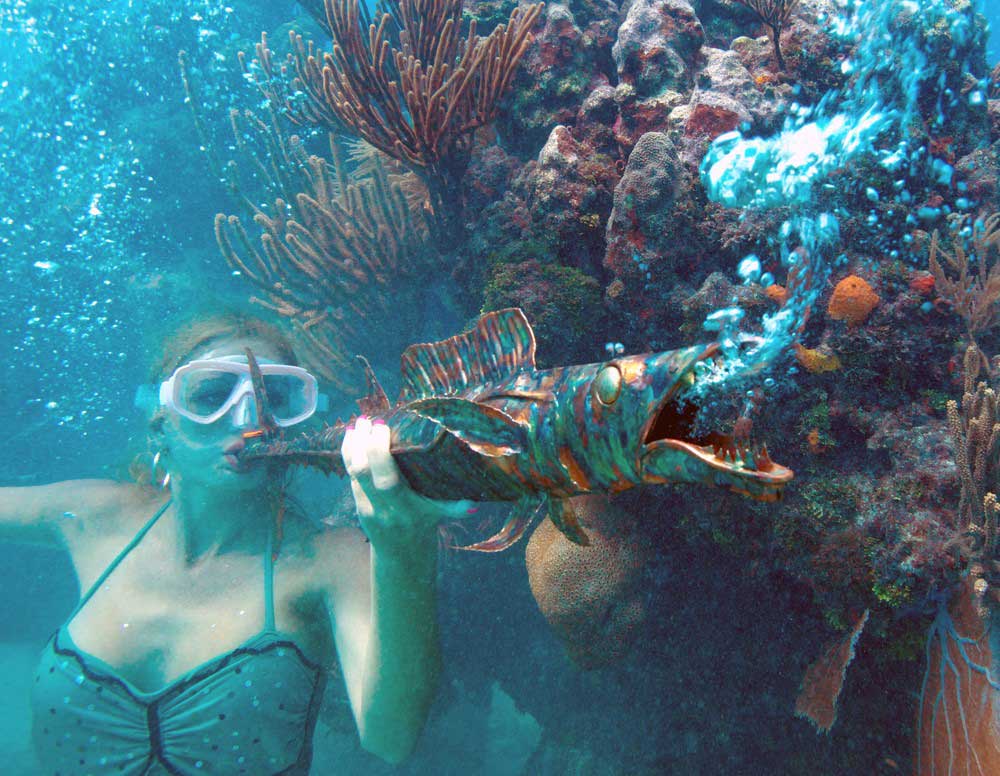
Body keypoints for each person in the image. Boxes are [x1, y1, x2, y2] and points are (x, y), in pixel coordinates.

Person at [0, 314, 462, 774]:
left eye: (276, 397)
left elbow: (391, 738)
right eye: (209, 394)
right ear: (160, 421)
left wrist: (405, 550)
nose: (248, 419)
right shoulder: (92, 514)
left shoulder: (332, 560)